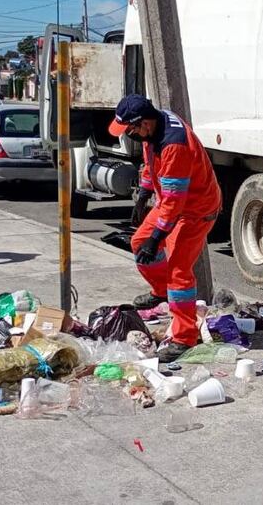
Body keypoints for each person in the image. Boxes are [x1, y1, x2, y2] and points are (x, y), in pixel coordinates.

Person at [109, 94, 221, 362]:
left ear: (144, 123)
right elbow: (151, 164)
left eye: (130, 130)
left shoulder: (174, 145)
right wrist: (145, 194)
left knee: (178, 271)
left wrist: (157, 236)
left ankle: (184, 338)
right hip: (175, 202)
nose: (128, 136)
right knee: (139, 243)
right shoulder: (153, 129)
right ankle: (161, 292)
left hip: (195, 210)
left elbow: (174, 202)